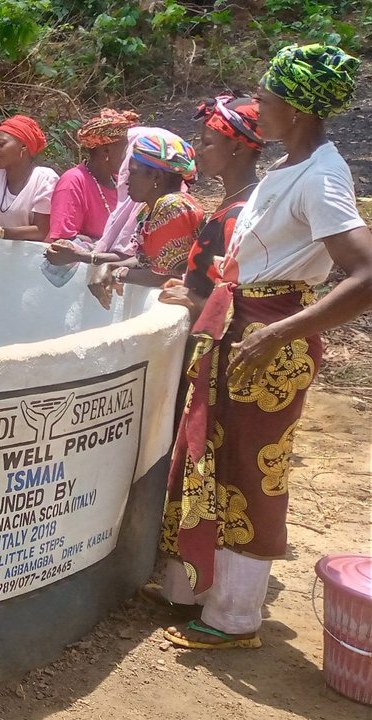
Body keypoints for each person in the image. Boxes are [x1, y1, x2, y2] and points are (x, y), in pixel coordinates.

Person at [151, 44, 372, 651]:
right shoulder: (291, 169)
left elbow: (366, 274)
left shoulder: (322, 178)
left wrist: (280, 331)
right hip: (242, 326)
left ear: (297, 110)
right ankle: (195, 588)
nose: (260, 108)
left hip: (268, 338)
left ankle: (234, 616)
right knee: (215, 460)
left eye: (268, 99)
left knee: (252, 472)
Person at [93, 134, 203, 294]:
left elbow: (164, 275)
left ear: (157, 176)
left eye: (133, 172)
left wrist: (117, 274)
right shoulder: (148, 209)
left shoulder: (173, 206)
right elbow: (144, 260)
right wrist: (110, 266)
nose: (127, 181)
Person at [181, 96, 264, 298]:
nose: (198, 151)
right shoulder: (236, 200)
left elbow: (241, 298)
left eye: (207, 143)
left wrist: (194, 302)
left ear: (237, 147)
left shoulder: (240, 215)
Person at [0, 114, 58, 245]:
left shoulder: (45, 178)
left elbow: (40, 231)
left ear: (23, 146)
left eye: (1, 144)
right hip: (4, 252)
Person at [49, 109, 136, 245]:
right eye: (125, 150)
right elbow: (63, 242)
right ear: (106, 151)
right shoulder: (73, 182)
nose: (129, 156)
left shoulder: (120, 182)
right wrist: (98, 246)